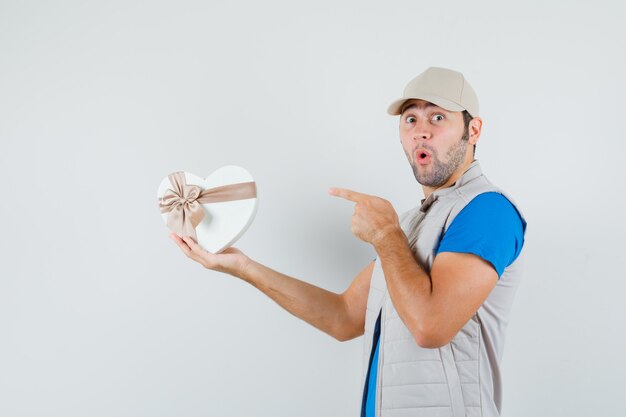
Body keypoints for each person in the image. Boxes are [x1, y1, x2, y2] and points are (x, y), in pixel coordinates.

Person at [170, 66, 527, 417]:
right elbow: (343, 317)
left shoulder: (487, 211)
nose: (421, 132)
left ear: (473, 129)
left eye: (437, 118)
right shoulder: (413, 223)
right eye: (410, 119)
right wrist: (243, 266)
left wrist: (386, 235)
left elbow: (430, 327)